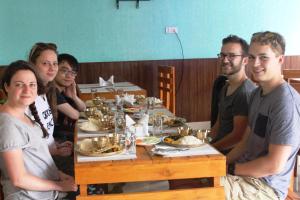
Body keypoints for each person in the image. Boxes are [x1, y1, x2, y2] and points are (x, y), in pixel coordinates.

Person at [223, 31, 300, 200]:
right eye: (251, 57)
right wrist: (220, 164)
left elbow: (274, 165)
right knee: (187, 179)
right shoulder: (258, 93)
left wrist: (230, 169)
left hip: (265, 188)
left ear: (280, 60)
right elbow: (245, 143)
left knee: (194, 194)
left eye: (263, 57)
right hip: (245, 177)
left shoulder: (285, 102)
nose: (255, 64)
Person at [0, 60, 77, 199]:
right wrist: (59, 185)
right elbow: (19, 179)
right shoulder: (8, 125)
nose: (27, 90)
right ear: (7, 87)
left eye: (32, 85)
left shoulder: (23, 115)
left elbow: (38, 159)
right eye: (19, 85)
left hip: (47, 192)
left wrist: (60, 175)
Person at [210, 35, 256, 153]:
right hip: (218, 149)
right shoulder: (226, 86)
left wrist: (210, 150)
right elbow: (218, 125)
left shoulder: (244, 93)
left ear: (245, 60)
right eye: (223, 55)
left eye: (231, 56)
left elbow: (238, 137)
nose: (225, 60)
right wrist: (199, 143)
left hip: (231, 156)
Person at [27, 42, 72, 157]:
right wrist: (54, 151)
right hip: (41, 166)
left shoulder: (44, 93)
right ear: (33, 65)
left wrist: (55, 145)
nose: (52, 68)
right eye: (45, 63)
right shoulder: (27, 97)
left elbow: (44, 134)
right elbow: (25, 148)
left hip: (50, 156)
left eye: (55, 63)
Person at [54, 53, 86, 142]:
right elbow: (75, 115)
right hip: (53, 139)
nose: (69, 76)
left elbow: (83, 108)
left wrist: (74, 97)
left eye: (73, 73)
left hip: (60, 133)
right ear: (54, 69)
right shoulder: (51, 91)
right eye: (64, 71)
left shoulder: (62, 91)